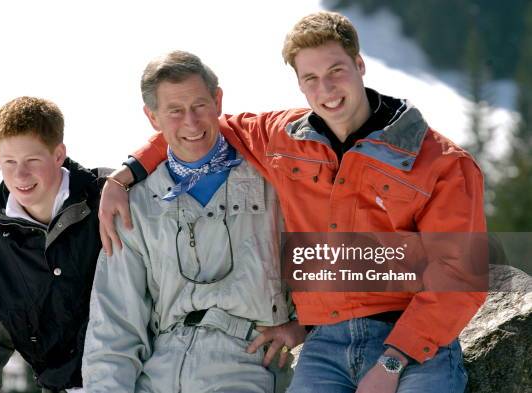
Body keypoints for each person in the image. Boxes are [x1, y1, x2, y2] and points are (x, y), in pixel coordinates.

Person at [98, 11, 487, 393]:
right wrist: (126, 174)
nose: (327, 91)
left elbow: (460, 278)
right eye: (311, 79)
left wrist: (392, 361)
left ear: (360, 64)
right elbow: (199, 127)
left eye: (336, 71)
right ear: (300, 84)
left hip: (412, 341)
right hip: (325, 345)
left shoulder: (441, 162)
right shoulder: (282, 139)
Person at [81, 51, 306, 393]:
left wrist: (304, 325)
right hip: (158, 369)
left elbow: (334, 259)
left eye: (200, 105)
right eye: (174, 111)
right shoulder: (136, 203)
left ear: (218, 101)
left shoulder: (271, 179)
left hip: (247, 363)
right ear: (153, 117)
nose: (191, 122)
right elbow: (114, 323)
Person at [0, 97, 108, 393]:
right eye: (9, 162)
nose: (20, 175)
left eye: (32, 161)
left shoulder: (108, 199)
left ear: (58, 154)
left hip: (139, 381)